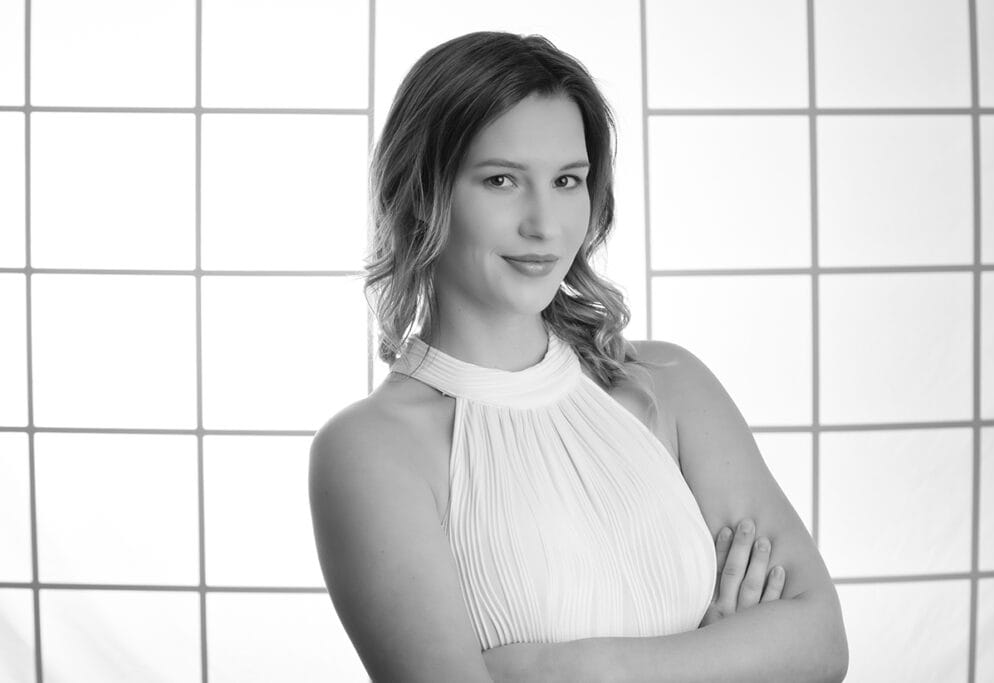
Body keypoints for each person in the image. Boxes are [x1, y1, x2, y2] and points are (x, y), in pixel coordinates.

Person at [309, 30, 848, 683]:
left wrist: (555, 667)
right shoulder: (370, 449)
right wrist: (725, 653)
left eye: (568, 179)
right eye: (501, 179)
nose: (545, 223)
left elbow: (819, 644)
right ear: (423, 193)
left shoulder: (669, 385)